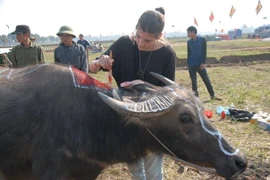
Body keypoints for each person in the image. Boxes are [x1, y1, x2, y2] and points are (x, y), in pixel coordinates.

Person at [89, 7, 176, 180]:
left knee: (153, 165)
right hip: (126, 109)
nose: (140, 43)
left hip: (152, 112)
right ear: (136, 28)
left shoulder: (167, 54)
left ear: (159, 36)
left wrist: (144, 86)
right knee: (134, 164)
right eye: (138, 36)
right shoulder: (123, 44)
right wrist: (99, 61)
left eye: (147, 40)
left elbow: (169, 93)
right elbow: (91, 69)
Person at [186, 26, 221, 100]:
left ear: (193, 32)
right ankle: (196, 98)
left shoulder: (202, 40)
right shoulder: (189, 42)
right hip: (191, 64)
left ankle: (212, 95)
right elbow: (189, 53)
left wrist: (203, 63)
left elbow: (204, 52)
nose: (187, 34)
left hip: (200, 64)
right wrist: (188, 63)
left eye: (188, 32)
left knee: (206, 80)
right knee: (194, 82)